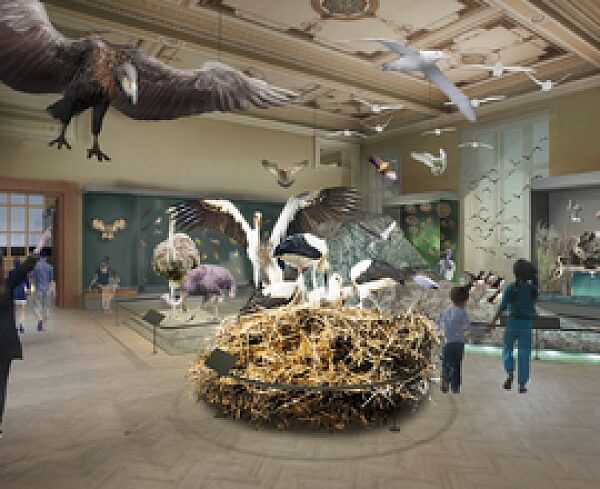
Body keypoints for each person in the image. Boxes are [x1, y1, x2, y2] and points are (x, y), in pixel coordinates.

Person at [0, 229, 51, 439]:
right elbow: (27, 266)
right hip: (5, 344)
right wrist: (41, 243)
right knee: (1, 385)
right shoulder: (6, 284)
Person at [490, 259, 538, 394]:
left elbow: (502, 307)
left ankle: (510, 372)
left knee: (507, 348)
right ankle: (522, 384)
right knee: (524, 352)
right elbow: (533, 302)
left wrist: (493, 322)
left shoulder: (511, 288)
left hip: (512, 322)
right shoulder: (532, 290)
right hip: (526, 324)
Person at [437, 285, 480, 394]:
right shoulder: (462, 312)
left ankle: (445, 378)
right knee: (456, 365)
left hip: (447, 343)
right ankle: (455, 387)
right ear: (464, 301)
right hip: (459, 344)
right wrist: (481, 331)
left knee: (445, 363)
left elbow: (438, 324)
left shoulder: (445, 312)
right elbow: (468, 327)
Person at [30, 250, 55, 331]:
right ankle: (44, 326)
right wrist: (52, 290)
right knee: (46, 307)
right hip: (47, 289)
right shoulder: (50, 267)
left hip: (38, 289)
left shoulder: (36, 267)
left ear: (39, 257)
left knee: (36, 307)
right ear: (46, 258)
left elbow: (32, 278)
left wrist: (33, 287)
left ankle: (40, 319)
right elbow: (51, 280)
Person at [8, 258, 29, 334]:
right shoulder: (23, 272)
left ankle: (15, 326)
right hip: (22, 293)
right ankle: (20, 325)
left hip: (14, 293)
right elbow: (27, 283)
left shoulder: (11, 272)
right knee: (21, 311)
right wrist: (28, 289)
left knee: (14, 311)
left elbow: (9, 283)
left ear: (13, 263)